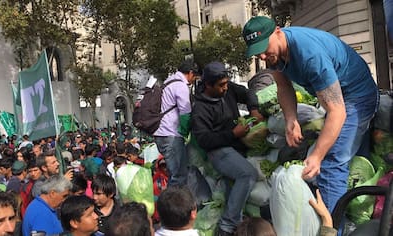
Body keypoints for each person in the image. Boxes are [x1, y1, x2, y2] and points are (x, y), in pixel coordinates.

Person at [243, 16, 379, 213]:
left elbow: (337, 111)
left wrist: (316, 156)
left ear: (278, 31)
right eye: (257, 52)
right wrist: (291, 119)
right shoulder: (275, 56)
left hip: (356, 98)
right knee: (356, 163)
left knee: (331, 164)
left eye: (264, 47)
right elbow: (283, 87)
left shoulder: (309, 55)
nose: (262, 56)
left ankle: (331, 230)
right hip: (338, 100)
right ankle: (357, 215)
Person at [191, 61, 259, 235]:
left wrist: (254, 109)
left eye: (226, 83)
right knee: (247, 174)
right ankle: (227, 225)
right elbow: (204, 139)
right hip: (218, 150)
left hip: (237, 146)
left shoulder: (229, 90)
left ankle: (240, 222)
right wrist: (233, 134)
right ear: (208, 85)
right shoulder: (200, 108)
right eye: (221, 85)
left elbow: (248, 93)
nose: (225, 88)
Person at [153, 59, 200, 187]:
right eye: (194, 77)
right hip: (171, 135)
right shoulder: (180, 86)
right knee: (178, 176)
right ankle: (171, 205)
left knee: (175, 174)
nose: (193, 80)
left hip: (161, 134)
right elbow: (185, 114)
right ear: (190, 73)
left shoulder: (168, 82)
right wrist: (185, 133)